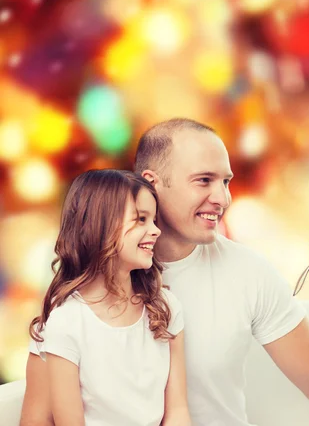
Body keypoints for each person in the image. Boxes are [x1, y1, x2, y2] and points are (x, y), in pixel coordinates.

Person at [21, 119, 309, 426]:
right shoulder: (78, 300)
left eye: (226, 181)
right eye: (204, 180)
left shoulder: (246, 272)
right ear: (152, 183)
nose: (222, 198)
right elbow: (38, 416)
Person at [21, 170, 190, 426]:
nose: (155, 230)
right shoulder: (67, 322)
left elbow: (177, 411)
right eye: (141, 219)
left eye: (154, 220)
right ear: (101, 226)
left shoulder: (165, 307)